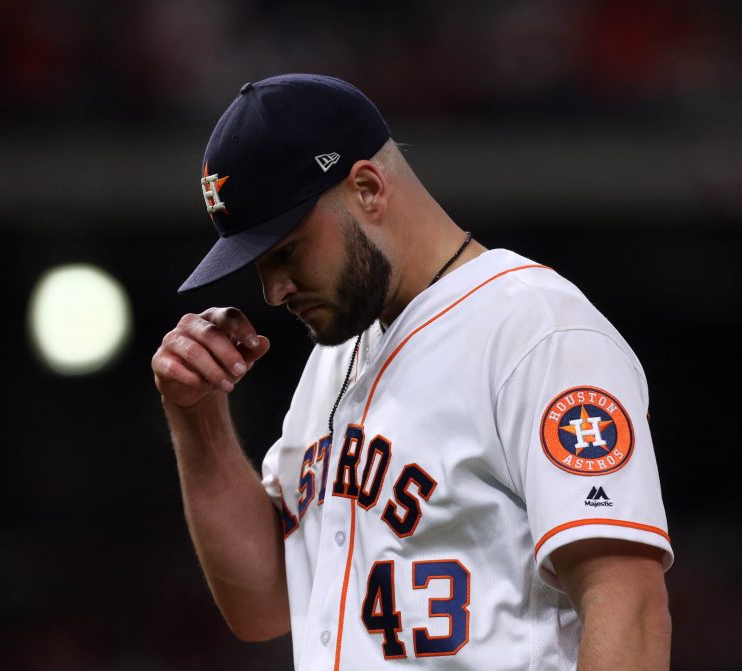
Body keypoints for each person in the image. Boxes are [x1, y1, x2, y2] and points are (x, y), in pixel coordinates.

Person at [152, 74, 672, 670]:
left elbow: (627, 603)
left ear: (369, 189)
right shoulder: (337, 355)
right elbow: (265, 605)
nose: (273, 291)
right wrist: (198, 416)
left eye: (286, 250)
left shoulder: (539, 330)